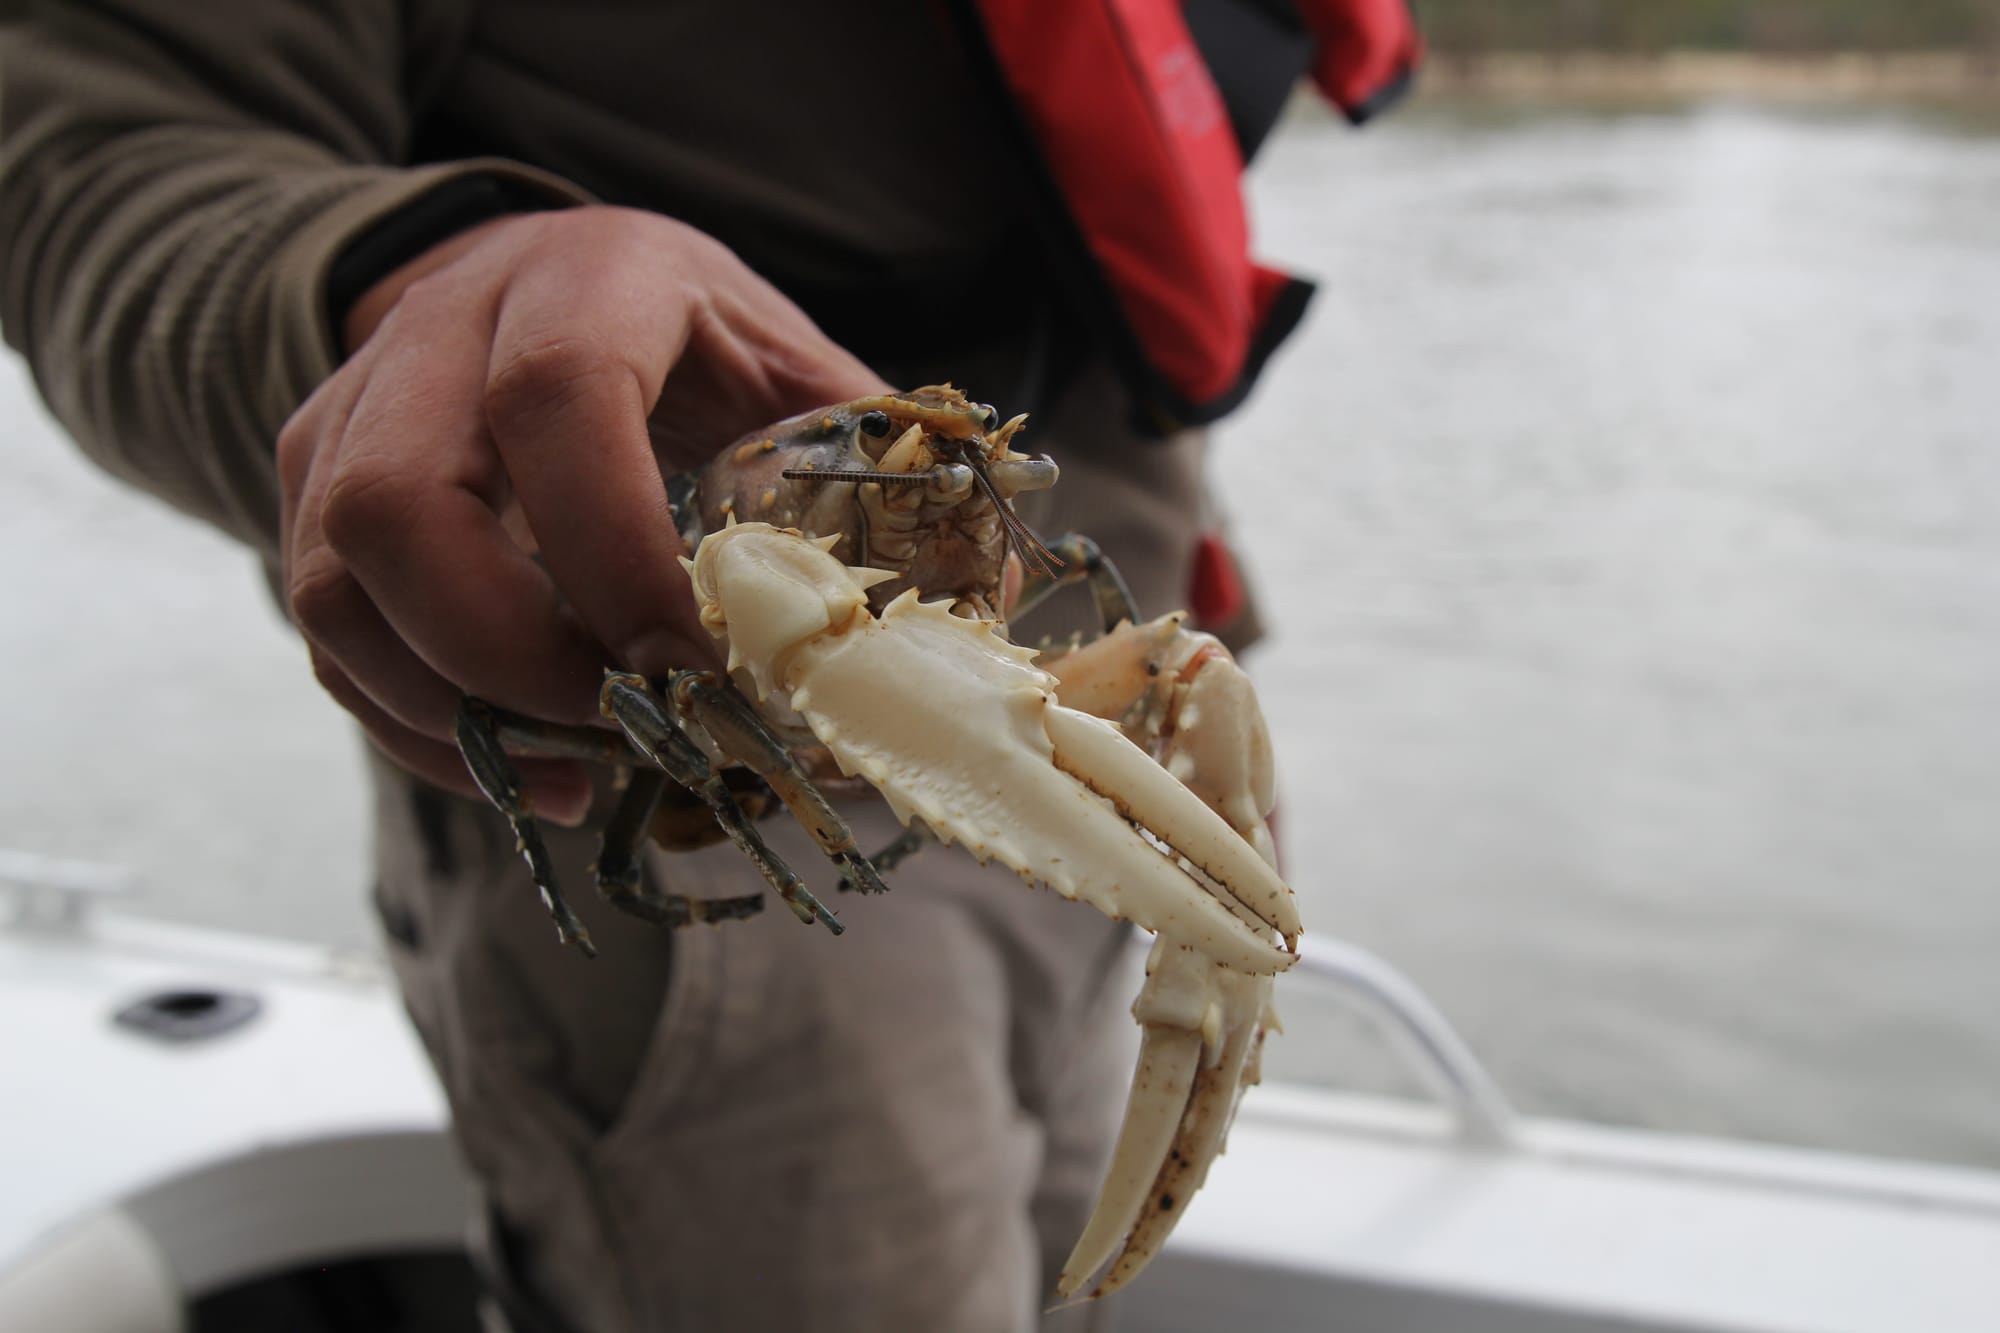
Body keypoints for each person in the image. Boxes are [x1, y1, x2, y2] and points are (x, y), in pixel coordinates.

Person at [0, 2, 1417, 1328]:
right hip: (722, 838)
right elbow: (82, 141)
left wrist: (1213, 776)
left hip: (1093, 774)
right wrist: (402, 274)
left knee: (1080, 1269)